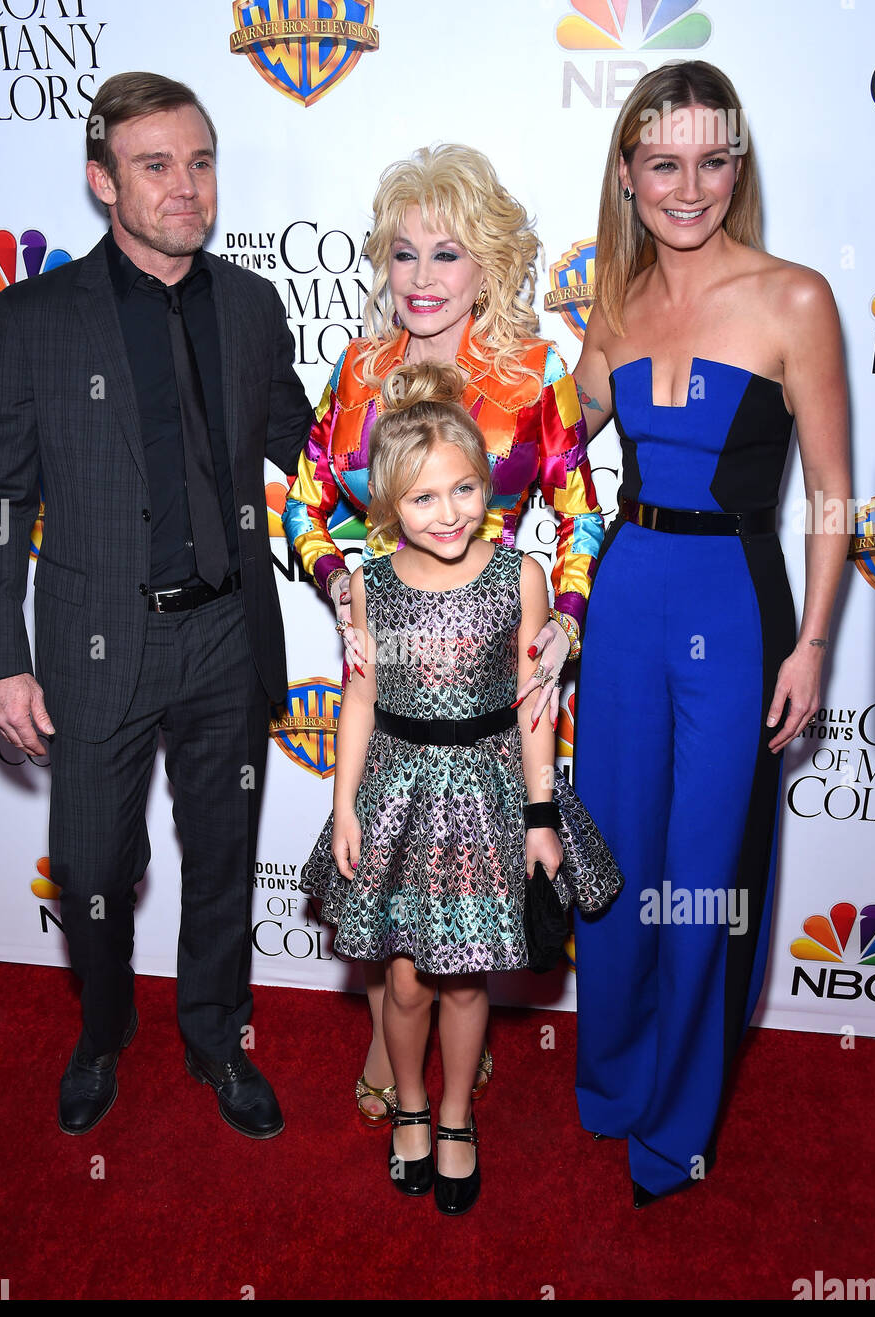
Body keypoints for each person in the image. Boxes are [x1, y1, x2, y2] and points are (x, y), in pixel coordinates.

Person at [0, 72, 312, 1139]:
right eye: (156, 165)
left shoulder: (251, 306)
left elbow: (303, 441)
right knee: (92, 868)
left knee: (223, 858)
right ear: (101, 178)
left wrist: (423, 438)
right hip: (91, 641)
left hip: (224, 633)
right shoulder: (33, 318)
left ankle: (214, 1034)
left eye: (200, 162)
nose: (185, 187)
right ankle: (101, 1031)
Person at [571, 61, 850, 1206]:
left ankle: (677, 1122)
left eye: (712, 159)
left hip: (735, 611)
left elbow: (833, 493)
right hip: (625, 597)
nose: (690, 186)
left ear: (738, 166)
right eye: (663, 162)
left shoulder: (795, 299)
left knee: (704, 879)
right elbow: (543, 443)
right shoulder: (613, 298)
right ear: (628, 173)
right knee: (618, 862)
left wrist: (817, 646)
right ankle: (613, 1078)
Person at [283, 144, 604, 1123]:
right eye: (404, 253)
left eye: (447, 255)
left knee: (468, 877)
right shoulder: (359, 367)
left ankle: (444, 1058)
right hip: (389, 659)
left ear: (490, 265)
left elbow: (582, 511)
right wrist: (340, 583)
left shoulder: (530, 372)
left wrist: (568, 621)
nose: (420, 278)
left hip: (497, 659)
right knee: (381, 864)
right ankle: (392, 1037)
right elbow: (303, 500)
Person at [299, 362, 620, 1214]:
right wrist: (342, 803)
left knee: (469, 978)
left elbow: (533, 707)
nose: (450, 513)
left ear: (488, 483)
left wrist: (541, 816)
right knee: (404, 979)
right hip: (397, 793)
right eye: (424, 498)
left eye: (466, 488)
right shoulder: (369, 585)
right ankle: (408, 1101)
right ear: (389, 507)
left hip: (486, 792)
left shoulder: (519, 578)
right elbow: (360, 698)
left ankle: (452, 1115)